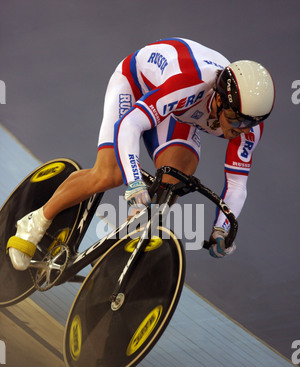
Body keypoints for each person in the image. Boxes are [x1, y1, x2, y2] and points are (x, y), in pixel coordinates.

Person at [7, 37, 275, 270]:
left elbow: (238, 183)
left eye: (249, 124)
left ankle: (116, 248)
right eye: (235, 120)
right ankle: (35, 221)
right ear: (218, 99)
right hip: (138, 86)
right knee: (110, 174)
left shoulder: (249, 122)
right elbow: (130, 124)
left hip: (177, 111)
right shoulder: (191, 85)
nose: (241, 130)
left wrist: (221, 229)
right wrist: (134, 181)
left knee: (175, 181)